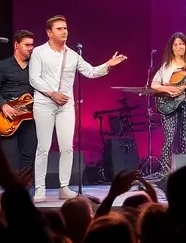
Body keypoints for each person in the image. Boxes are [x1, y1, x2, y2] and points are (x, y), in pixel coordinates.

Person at [29, 15, 126, 199]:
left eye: (65, 28)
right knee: (43, 146)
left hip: (65, 105)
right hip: (44, 104)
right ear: (49, 33)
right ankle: (40, 187)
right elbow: (34, 78)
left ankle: (64, 187)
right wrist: (52, 93)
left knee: (67, 146)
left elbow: (90, 71)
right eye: (59, 28)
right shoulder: (39, 52)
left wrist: (108, 65)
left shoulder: (73, 55)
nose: (64, 31)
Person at [0, 30, 37, 175]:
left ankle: (27, 194)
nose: (31, 48)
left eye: (32, 45)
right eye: (27, 45)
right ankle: (12, 192)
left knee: (29, 157)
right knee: (10, 159)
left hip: (29, 118)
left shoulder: (36, 66)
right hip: (7, 119)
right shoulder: (3, 66)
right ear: (16, 45)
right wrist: (3, 105)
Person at [151, 32, 186, 175]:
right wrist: (167, 88)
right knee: (169, 137)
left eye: (181, 44)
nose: (179, 47)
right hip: (168, 103)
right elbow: (154, 84)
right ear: (171, 47)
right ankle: (165, 171)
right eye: (175, 44)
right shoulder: (166, 66)